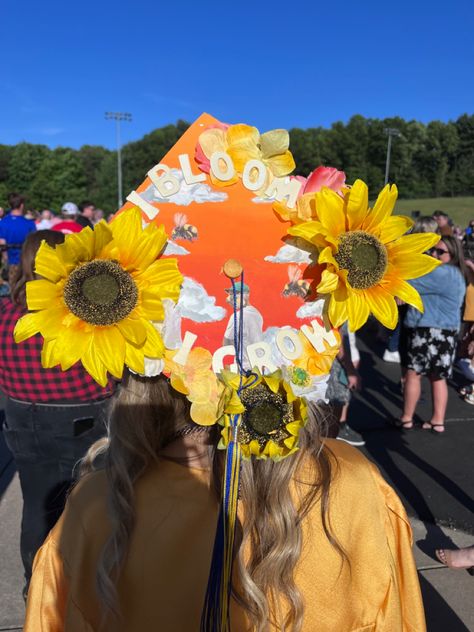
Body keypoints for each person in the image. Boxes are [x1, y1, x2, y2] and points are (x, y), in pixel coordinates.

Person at [0, 230, 116, 593]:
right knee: (88, 502)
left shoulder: (5, 312)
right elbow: (108, 368)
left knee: (36, 503)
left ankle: (36, 582)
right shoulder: (80, 312)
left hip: (21, 416)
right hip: (79, 417)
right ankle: (82, 579)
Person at [398, 236, 466, 432]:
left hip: (427, 329)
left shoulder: (441, 272)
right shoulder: (457, 274)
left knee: (413, 374)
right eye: (432, 250)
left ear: (452, 254)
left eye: (440, 252)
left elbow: (409, 280)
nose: (433, 254)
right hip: (447, 332)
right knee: (438, 377)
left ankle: (407, 418)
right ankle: (438, 420)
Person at [0, 193, 36, 286]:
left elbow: (2, 243)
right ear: (22, 205)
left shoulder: (3, 222)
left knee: (12, 289)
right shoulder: (29, 223)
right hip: (27, 263)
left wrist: (5, 260)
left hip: (11, 261)